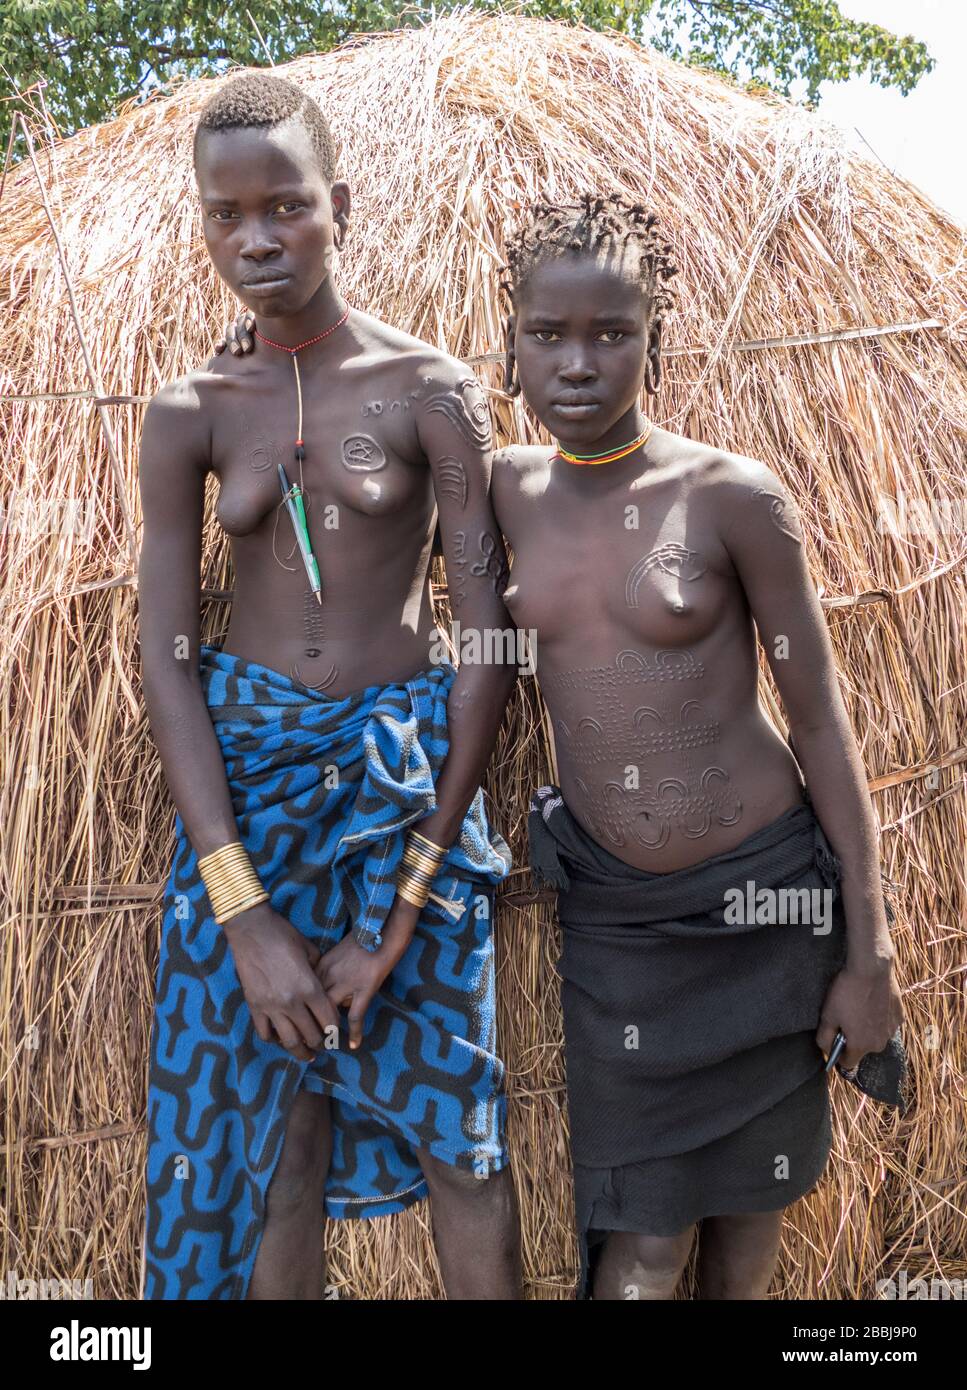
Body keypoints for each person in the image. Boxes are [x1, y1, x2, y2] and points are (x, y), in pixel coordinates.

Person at [138, 71, 522, 1300]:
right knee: (272, 1139)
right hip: (247, 797)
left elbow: (489, 640)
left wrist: (406, 896)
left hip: (402, 791)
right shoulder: (189, 410)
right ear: (203, 222)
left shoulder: (430, 391)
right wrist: (241, 908)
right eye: (226, 213)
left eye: (287, 205)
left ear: (339, 205)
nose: (256, 238)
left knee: (462, 1134)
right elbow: (163, 651)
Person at [492, 193, 905, 1300]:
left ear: (653, 345)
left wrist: (867, 958)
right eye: (548, 334)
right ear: (511, 342)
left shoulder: (731, 500)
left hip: (763, 907)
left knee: (748, 1221)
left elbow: (820, 724)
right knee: (644, 1237)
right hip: (623, 931)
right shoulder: (503, 493)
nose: (576, 363)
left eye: (611, 334)